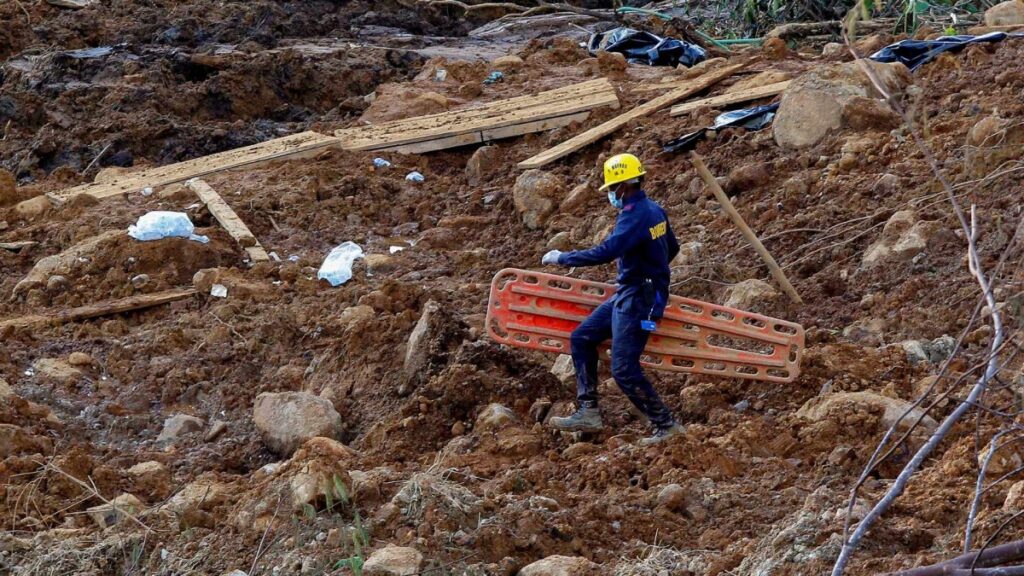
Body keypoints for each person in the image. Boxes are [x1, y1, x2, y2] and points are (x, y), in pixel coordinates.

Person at [540, 153, 684, 446]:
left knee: (623, 369)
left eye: (609, 190)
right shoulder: (654, 210)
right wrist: (649, 269)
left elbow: (607, 251)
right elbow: (672, 247)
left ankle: (665, 424)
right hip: (632, 290)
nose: (609, 196)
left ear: (621, 187)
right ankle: (588, 410)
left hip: (639, 299)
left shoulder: (634, 216)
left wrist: (563, 257)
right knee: (581, 338)